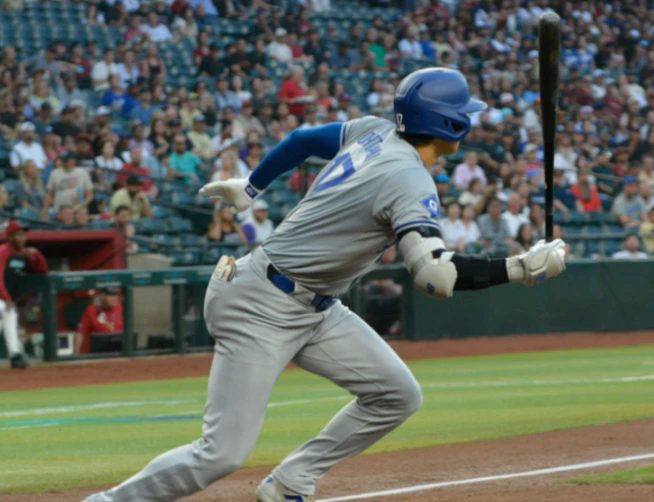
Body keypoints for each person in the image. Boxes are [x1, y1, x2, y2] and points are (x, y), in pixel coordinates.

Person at [85, 68, 566, 502]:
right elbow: (436, 278)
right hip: (261, 303)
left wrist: (252, 186)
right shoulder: (409, 178)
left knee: (397, 394)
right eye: (463, 114)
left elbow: (299, 140)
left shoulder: (375, 128)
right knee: (220, 454)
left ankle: (292, 481)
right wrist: (522, 268)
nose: (469, 120)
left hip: (313, 306)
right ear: (449, 126)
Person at [0, 221, 48, 369]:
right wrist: (7, 299)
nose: (22, 238)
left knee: (9, 313)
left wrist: (36, 254)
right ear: (9, 236)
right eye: (18, 235)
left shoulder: (23, 253)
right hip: (2, 297)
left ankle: (15, 355)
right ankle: (15, 354)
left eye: (24, 234)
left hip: (3, 298)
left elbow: (43, 270)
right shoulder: (3, 251)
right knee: (5, 309)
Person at [42, 152, 93, 218]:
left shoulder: (83, 173)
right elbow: (49, 194)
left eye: (67, 161)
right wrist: (45, 211)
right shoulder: (55, 173)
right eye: (64, 161)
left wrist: (83, 203)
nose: (65, 163)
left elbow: (90, 194)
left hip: (77, 211)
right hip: (60, 211)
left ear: (73, 161)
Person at [74, 287, 124, 354]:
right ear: (102, 297)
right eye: (110, 295)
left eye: (115, 295)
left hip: (119, 352)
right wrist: (75, 354)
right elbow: (80, 333)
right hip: (97, 354)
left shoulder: (120, 308)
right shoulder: (92, 310)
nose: (114, 298)